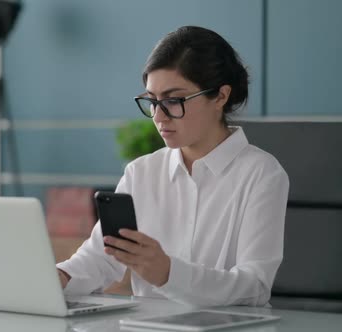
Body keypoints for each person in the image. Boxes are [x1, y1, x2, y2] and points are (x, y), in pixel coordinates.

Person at [56, 26, 289, 306]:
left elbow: (255, 286)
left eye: (173, 100)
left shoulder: (262, 174)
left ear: (220, 96)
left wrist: (168, 273)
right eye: (152, 101)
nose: (158, 116)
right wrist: (61, 277)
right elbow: (101, 258)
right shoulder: (140, 172)